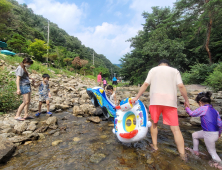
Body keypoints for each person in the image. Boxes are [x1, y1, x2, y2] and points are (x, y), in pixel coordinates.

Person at [131, 59, 189, 160]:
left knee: (154, 123)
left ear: (159, 65)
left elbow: (145, 84)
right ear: (168, 65)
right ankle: (182, 154)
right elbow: (181, 86)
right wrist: (186, 100)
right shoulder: (175, 71)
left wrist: (137, 97)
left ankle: (155, 146)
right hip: (170, 102)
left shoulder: (153, 70)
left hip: (155, 101)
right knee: (175, 129)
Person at [185, 91, 222, 167]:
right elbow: (220, 123)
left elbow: (192, 114)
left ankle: (220, 165)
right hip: (214, 133)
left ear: (200, 102)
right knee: (194, 135)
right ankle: (195, 151)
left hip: (209, 134)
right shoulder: (215, 111)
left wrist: (186, 108)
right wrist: (219, 133)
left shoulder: (203, 108)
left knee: (212, 152)